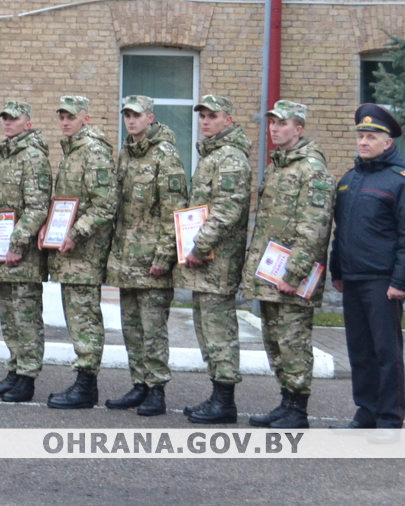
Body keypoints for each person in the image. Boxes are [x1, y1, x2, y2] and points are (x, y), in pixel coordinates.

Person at [244, 99, 333, 430]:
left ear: (299, 129)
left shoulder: (312, 169)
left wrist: (293, 274)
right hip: (270, 273)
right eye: (272, 123)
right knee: (275, 340)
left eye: (282, 123)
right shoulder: (278, 165)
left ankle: (298, 409)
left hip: (291, 277)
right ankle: (286, 402)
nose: (274, 128)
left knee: (294, 341)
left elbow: (314, 227)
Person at [104, 95, 188, 417]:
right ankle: (138, 384)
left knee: (153, 330)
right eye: (126, 114)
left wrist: (164, 257)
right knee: (132, 327)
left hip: (152, 261)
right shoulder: (126, 153)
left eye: (136, 115)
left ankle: (157, 390)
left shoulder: (165, 156)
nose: (131, 120)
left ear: (150, 118)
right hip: (127, 259)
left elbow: (174, 211)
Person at [179, 94, 254, 425]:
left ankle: (225, 401)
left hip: (217, 261)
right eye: (202, 116)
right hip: (205, 261)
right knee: (206, 328)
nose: (206, 121)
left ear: (229, 120)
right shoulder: (212, 154)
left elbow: (227, 209)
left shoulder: (231, 159)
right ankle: (217, 394)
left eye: (213, 115)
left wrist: (199, 245)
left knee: (219, 330)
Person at [330, 103, 405, 429]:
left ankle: (389, 417)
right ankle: (366, 411)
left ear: (387, 142)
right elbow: (340, 228)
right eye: (361, 135)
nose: (363, 142)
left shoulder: (398, 180)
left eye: (371, 136)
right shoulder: (349, 179)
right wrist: (337, 271)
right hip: (353, 278)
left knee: (386, 352)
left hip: (382, 281)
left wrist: (399, 281)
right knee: (359, 350)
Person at [45, 95, 118, 409]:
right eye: (62, 116)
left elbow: (105, 204)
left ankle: (87, 385)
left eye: (71, 117)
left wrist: (75, 234)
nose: (65, 122)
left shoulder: (93, 152)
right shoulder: (72, 150)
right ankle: (83, 381)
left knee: (85, 318)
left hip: (85, 253)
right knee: (75, 317)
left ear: (85, 118)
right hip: (69, 253)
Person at [0, 100, 51, 403]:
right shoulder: (7, 156)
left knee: (26, 317)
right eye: (5, 118)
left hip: (22, 254)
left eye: (14, 119)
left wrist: (16, 244)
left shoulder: (33, 157)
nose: (8, 123)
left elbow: (37, 208)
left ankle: (27, 377)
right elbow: (1, 205)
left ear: (28, 123)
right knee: (9, 316)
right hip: (3, 252)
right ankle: (14, 369)